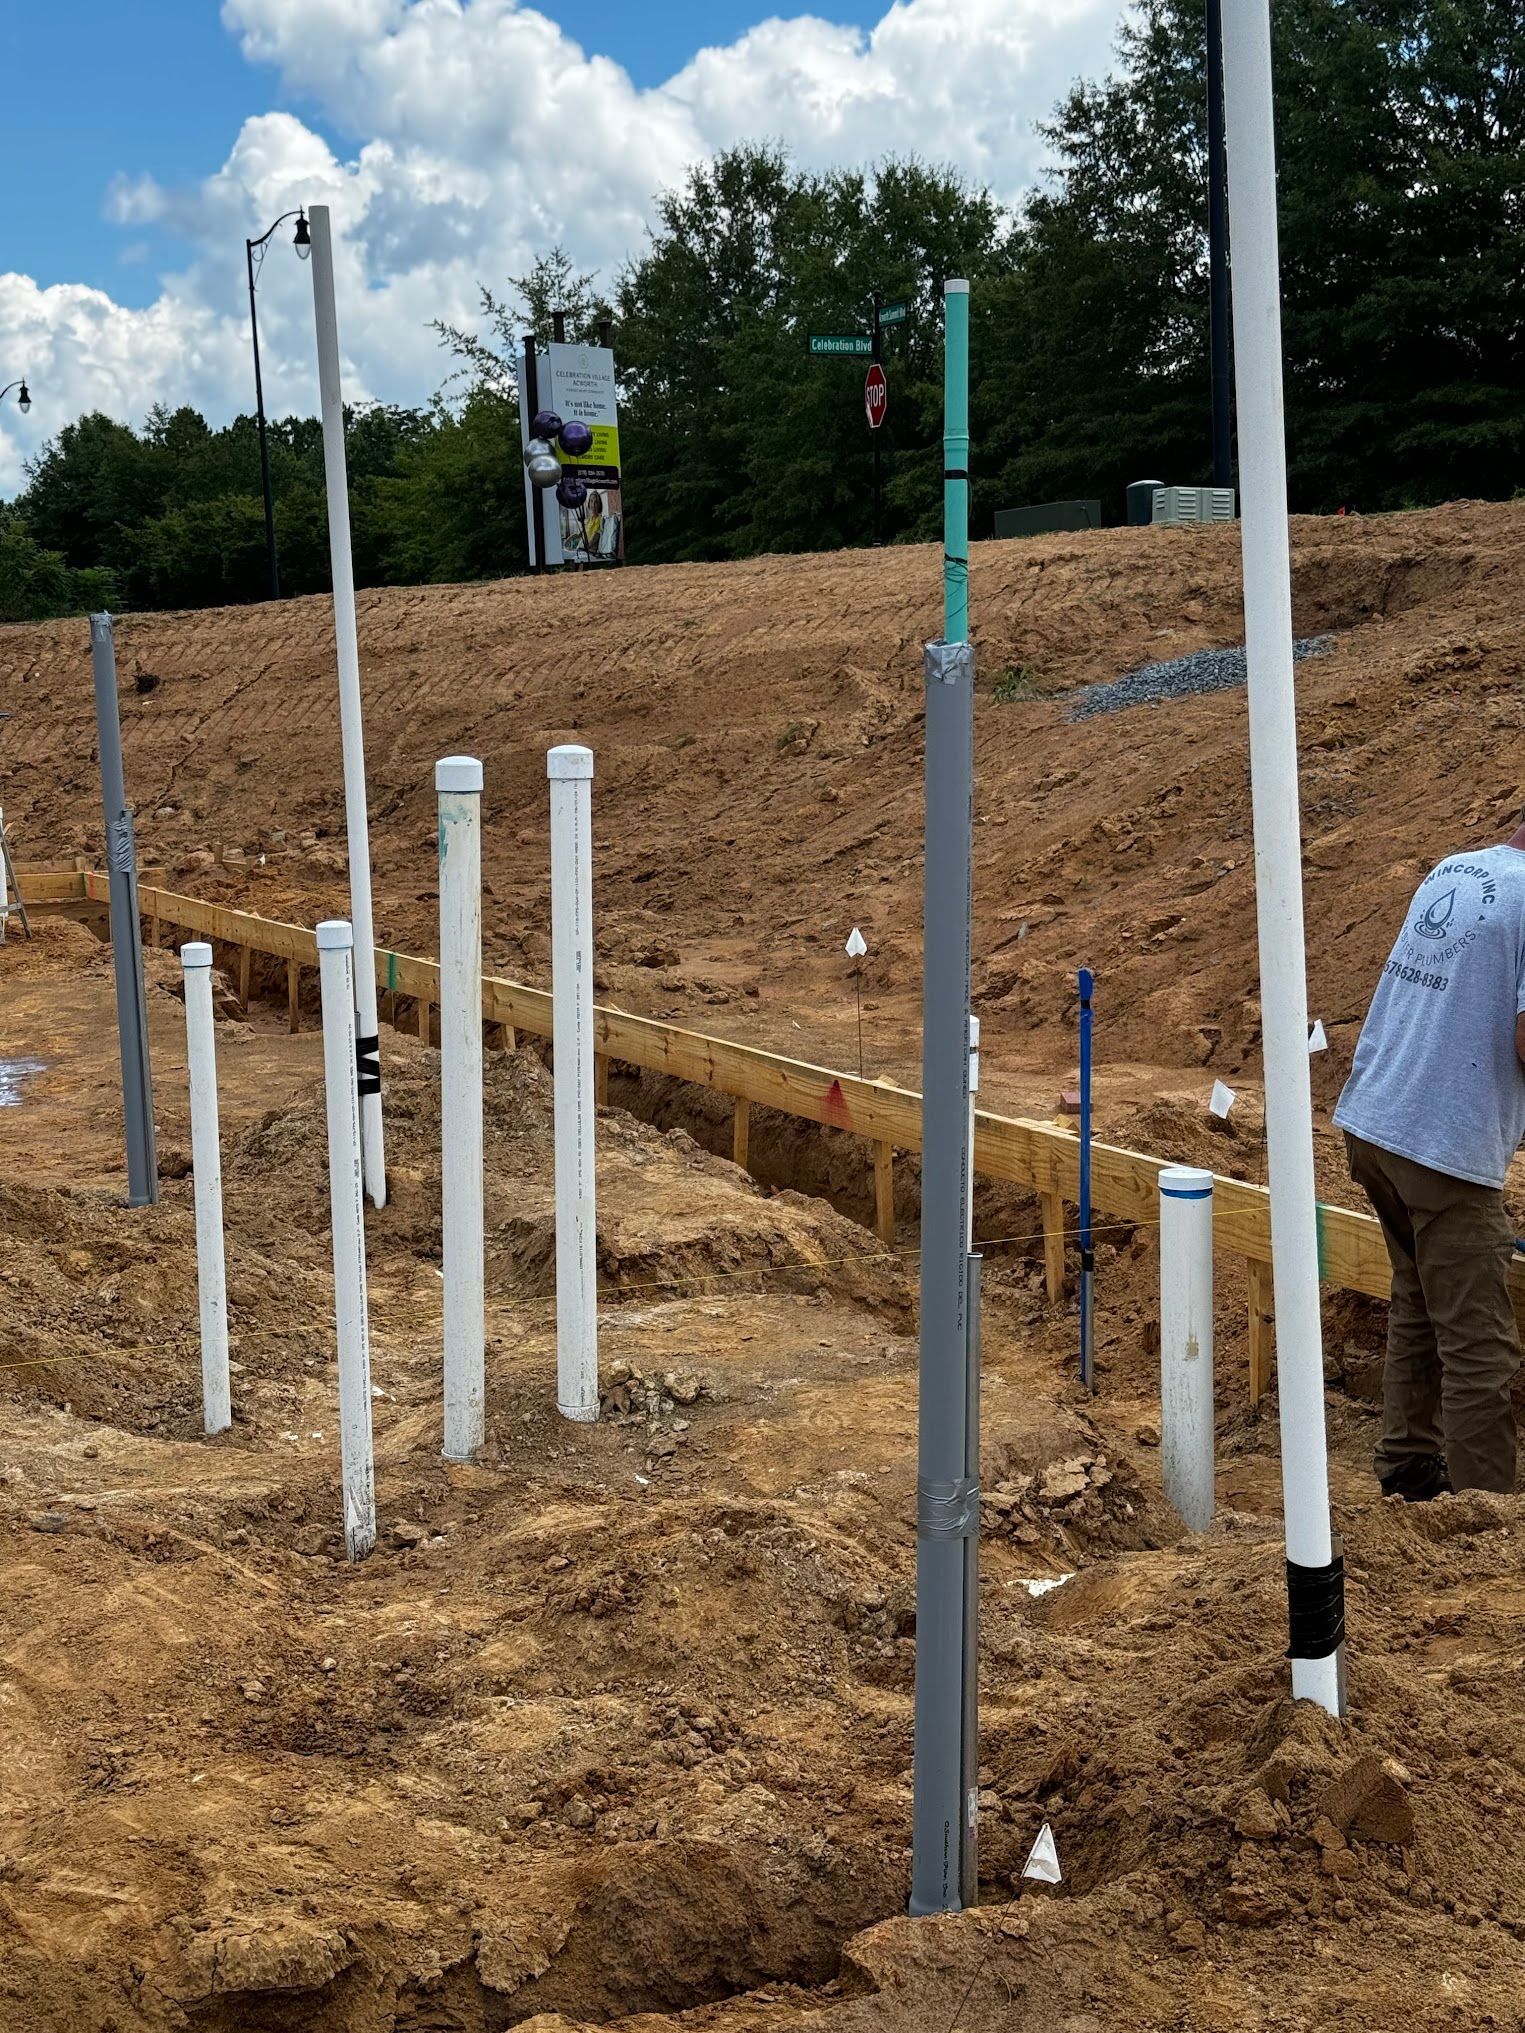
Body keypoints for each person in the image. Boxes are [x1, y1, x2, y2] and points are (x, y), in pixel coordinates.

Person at [1334, 807, 1525, 1498]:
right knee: (1479, 1344)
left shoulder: (1457, 868)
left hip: (1376, 1123)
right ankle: (1483, 1521)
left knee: (1418, 1295)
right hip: (1440, 1149)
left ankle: (1408, 1465)